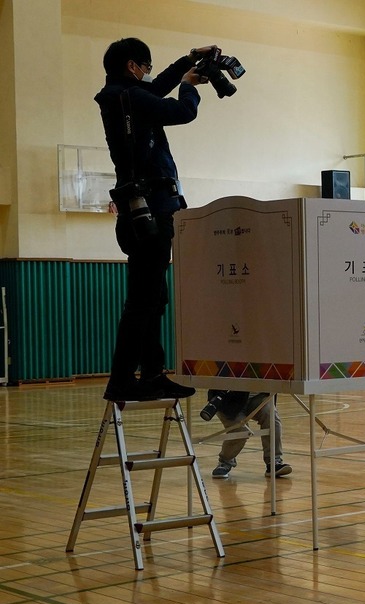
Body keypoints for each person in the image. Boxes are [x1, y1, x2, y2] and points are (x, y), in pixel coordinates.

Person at [96, 38, 214, 402]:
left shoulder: (123, 96)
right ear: (133, 66)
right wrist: (189, 87)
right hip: (151, 208)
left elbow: (155, 88)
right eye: (146, 66)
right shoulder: (129, 99)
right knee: (144, 300)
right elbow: (181, 112)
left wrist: (185, 61)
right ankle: (123, 380)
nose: (148, 73)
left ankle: (150, 373)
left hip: (141, 208)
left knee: (153, 297)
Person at [203, 391, 292, 479]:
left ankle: (274, 461)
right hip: (228, 399)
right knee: (240, 431)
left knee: (271, 416)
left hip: (257, 398)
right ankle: (225, 462)